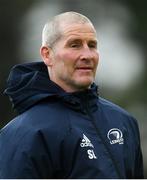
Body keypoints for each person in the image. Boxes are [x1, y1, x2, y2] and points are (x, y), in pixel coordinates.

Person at [0, 11, 144, 178]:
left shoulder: (124, 121)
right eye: (74, 45)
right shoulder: (24, 133)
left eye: (92, 45)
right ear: (47, 54)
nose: (87, 55)